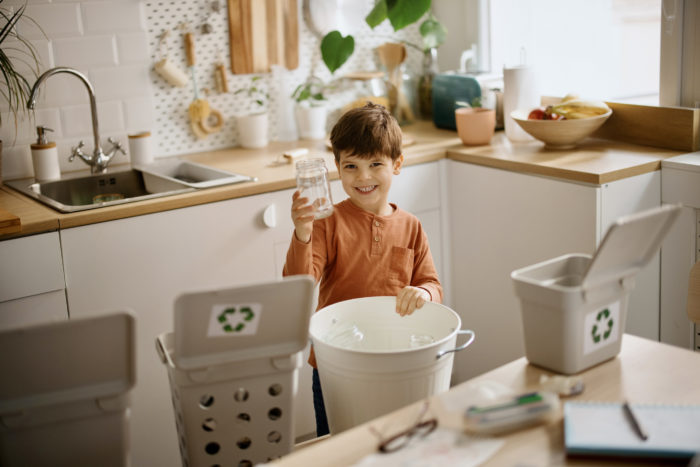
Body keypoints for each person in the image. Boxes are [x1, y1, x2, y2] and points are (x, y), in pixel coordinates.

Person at [283, 102, 443, 436]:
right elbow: (298, 286)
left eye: (375, 164)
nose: (364, 177)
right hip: (334, 365)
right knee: (339, 447)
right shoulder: (327, 223)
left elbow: (432, 285)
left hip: (394, 360)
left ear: (397, 164)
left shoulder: (411, 226)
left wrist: (423, 293)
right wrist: (303, 232)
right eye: (351, 166)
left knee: (396, 442)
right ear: (338, 168)